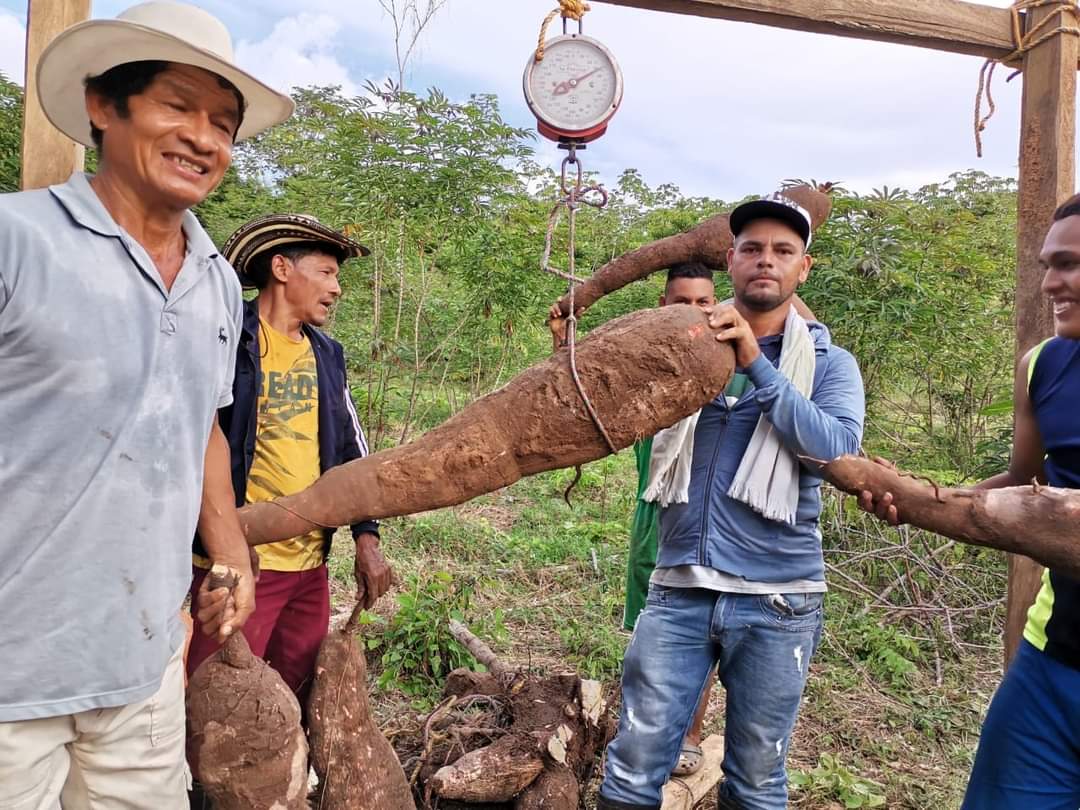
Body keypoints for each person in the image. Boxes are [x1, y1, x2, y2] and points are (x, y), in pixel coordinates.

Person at [0, 3, 293, 806]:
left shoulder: (216, 283)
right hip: (11, 675)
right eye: (177, 105)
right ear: (103, 104)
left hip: (143, 666)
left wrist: (229, 551)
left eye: (224, 124)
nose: (204, 137)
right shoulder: (15, 240)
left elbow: (197, 421)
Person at [597, 192, 865, 810]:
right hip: (677, 592)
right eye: (751, 249)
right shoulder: (684, 345)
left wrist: (756, 364)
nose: (764, 261)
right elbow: (607, 406)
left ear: (804, 269)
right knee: (632, 770)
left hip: (779, 601)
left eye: (782, 251)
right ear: (730, 261)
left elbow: (833, 447)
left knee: (755, 780)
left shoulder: (829, 363)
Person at [860, 194, 1080, 809]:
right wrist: (923, 499)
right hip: (1054, 661)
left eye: (1069, 264)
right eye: (1046, 264)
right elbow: (1021, 480)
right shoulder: (1043, 365)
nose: (1050, 284)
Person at [186, 214, 393, 704]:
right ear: (281, 268)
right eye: (326, 272)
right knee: (219, 700)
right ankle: (197, 785)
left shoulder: (327, 353)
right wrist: (226, 545)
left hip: (309, 568)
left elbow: (350, 447)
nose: (336, 288)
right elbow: (193, 441)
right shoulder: (226, 340)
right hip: (240, 562)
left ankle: (286, 782)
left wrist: (367, 535)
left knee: (294, 693)